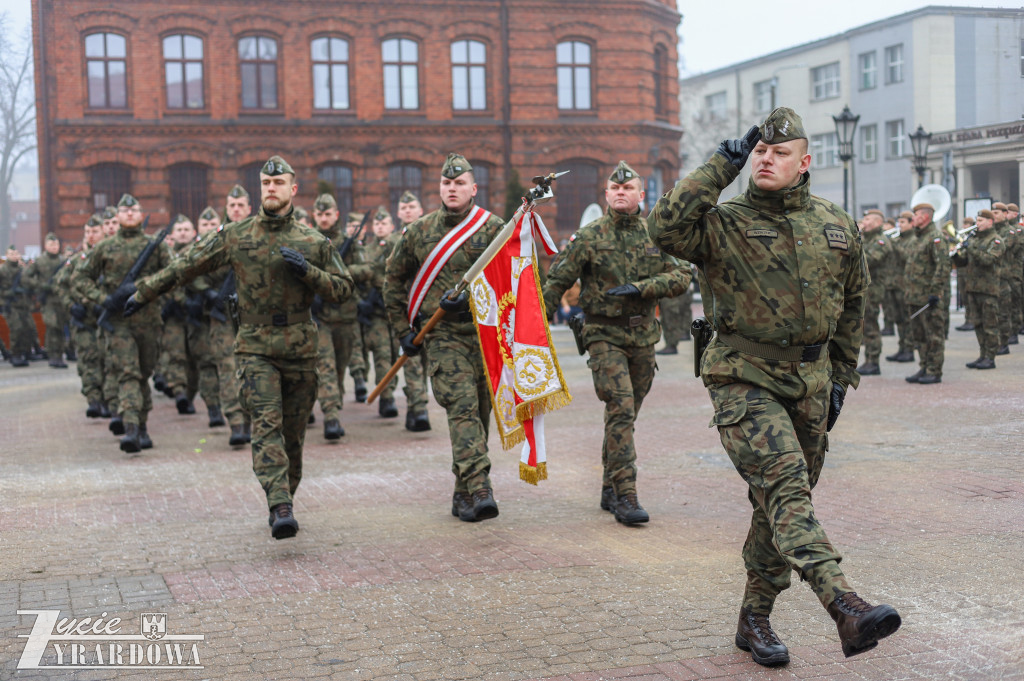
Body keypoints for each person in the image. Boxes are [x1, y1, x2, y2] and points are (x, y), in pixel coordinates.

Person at [648, 107, 901, 666]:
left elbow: (854, 305)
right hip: (742, 376)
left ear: (804, 162)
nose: (766, 158)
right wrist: (720, 166)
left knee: (779, 506)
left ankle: (754, 616)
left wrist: (841, 376)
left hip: (811, 382)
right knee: (786, 487)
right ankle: (844, 603)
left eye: (779, 152)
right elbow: (662, 227)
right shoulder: (723, 222)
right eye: (760, 151)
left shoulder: (835, 224)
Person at [124, 155, 354, 539]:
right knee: (265, 423)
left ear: (293, 189)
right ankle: (279, 504)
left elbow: (344, 290)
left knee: (293, 436)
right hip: (255, 346)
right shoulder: (237, 235)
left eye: (278, 183)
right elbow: (187, 265)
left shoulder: (313, 241)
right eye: (265, 183)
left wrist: (308, 272)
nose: (271, 188)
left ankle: (285, 494)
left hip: (300, 347)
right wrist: (144, 292)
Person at [542, 160, 692, 524]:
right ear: (607, 194)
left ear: (641, 195)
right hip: (603, 334)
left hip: (643, 336)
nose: (621, 193)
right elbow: (557, 281)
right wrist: (532, 325)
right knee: (621, 407)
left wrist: (642, 288)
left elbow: (682, 275)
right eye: (615, 188)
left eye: (628, 188)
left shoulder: (655, 234)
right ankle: (626, 494)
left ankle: (610, 487)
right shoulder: (589, 236)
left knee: (624, 414)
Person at [383, 154, 507, 522]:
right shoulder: (419, 232)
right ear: (439, 187)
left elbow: (511, 280)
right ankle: (481, 486)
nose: (452, 189)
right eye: (446, 183)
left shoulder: (494, 229)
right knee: (462, 408)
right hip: (443, 337)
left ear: (473, 188)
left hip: (483, 335)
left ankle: (462, 494)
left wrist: (476, 301)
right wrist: (403, 331)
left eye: (459, 183)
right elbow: (393, 280)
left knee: (479, 416)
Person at [71, 193, 175, 452]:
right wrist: (104, 300)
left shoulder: (155, 245)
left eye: (134, 210)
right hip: (119, 323)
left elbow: (173, 275)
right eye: (125, 210)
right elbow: (79, 278)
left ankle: (142, 425)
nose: (129, 213)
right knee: (128, 373)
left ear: (141, 215)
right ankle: (131, 428)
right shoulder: (105, 248)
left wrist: (142, 288)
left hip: (149, 321)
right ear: (117, 216)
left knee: (144, 373)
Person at [310, 193, 372, 440]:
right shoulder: (309, 241)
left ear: (336, 215)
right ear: (314, 216)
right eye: (320, 214)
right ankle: (331, 416)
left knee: (339, 368)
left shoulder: (350, 243)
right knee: (325, 366)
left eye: (328, 214)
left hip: (345, 316)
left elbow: (367, 270)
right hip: (320, 317)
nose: (324, 218)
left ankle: (332, 403)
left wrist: (341, 272)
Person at [56, 214, 109, 416]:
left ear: (104, 232)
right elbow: (61, 285)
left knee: (108, 360)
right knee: (89, 360)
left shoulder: (110, 258)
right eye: (87, 232)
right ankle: (94, 400)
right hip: (85, 321)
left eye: (95, 231)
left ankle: (108, 400)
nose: (90, 235)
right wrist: (71, 306)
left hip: (107, 321)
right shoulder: (78, 260)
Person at [904, 201, 951, 384]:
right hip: (914, 296)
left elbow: (943, 265)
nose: (913, 218)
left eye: (915, 215)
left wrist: (935, 291)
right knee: (920, 336)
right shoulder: (917, 238)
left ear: (924, 217)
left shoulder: (935, 237)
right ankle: (924, 366)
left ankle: (934, 370)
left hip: (928, 297)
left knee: (933, 336)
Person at [951, 209, 1003, 369]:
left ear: (990, 222)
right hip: (973, 288)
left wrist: (971, 248)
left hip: (988, 289)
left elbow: (988, 260)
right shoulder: (974, 239)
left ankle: (990, 357)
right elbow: (964, 262)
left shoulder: (996, 240)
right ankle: (982, 355)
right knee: (978, 324)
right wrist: (956, 255)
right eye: (977, 220)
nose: (977, 224)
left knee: (990, 325)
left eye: (980, 221)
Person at [856, 209, 894, 376]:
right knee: (865, 326)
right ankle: (868, 360)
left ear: (878, 222)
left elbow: (868, 260)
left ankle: (873, 361)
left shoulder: (881, 241)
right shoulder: (866, 239)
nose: (864, 222)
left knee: (871, 326)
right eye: (864, 219)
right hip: (864, 288)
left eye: (868, 219)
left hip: (873, 289)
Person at [25, 233, 71, 368]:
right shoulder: (39, 261)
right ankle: (53, 355)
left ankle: (59, 355)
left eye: (56, 244)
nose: (54, 247)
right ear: (46, 246)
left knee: (61, 327)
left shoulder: (63, 261)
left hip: (61, 299)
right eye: (51, 244)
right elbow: (26, 277)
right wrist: (41, 285)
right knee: (52, 326)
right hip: (48, 300)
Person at [1, 246, 34, 367]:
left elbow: (30, 283)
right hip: (9, 304)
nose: (14, 256)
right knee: (16, 329)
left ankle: (24, 353)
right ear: (7, 256)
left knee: (26, 329)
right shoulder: (3, 270)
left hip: (23, 304)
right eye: (11, 254)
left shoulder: (22, 269)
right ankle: (15, 355)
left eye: (15, 253)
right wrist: (6, 293)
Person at [954, 216, 976, 332]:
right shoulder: (963, 237)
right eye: (964, 224)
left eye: (967, 224)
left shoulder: (972, 237)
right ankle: (967, 320)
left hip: (968, 272)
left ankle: (971, 320)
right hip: (961, 271)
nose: (964, 226)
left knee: (969, 298)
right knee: (964, 297)